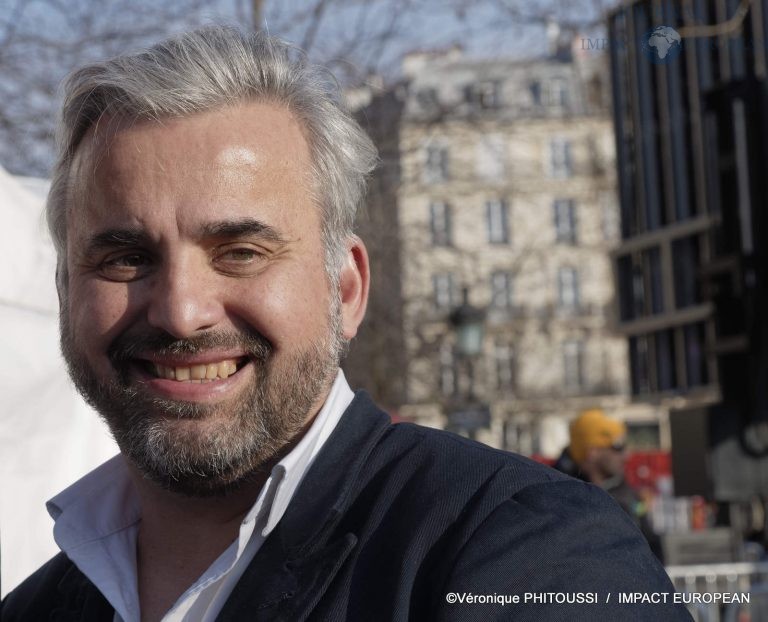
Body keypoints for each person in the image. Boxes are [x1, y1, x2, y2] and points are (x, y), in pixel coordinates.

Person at [1, 26, 691, 621]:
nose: (182, 310)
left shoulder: (531, 556)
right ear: (66, 292)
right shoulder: (35, 609)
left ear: (346, 288)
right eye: (124, 258)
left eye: (240, 253)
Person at [555, 409, 663, 560]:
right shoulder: (558, 495)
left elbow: (652, 549)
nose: (626, 456)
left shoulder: (628, 496)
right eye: (617, 447)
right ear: (593, 451)